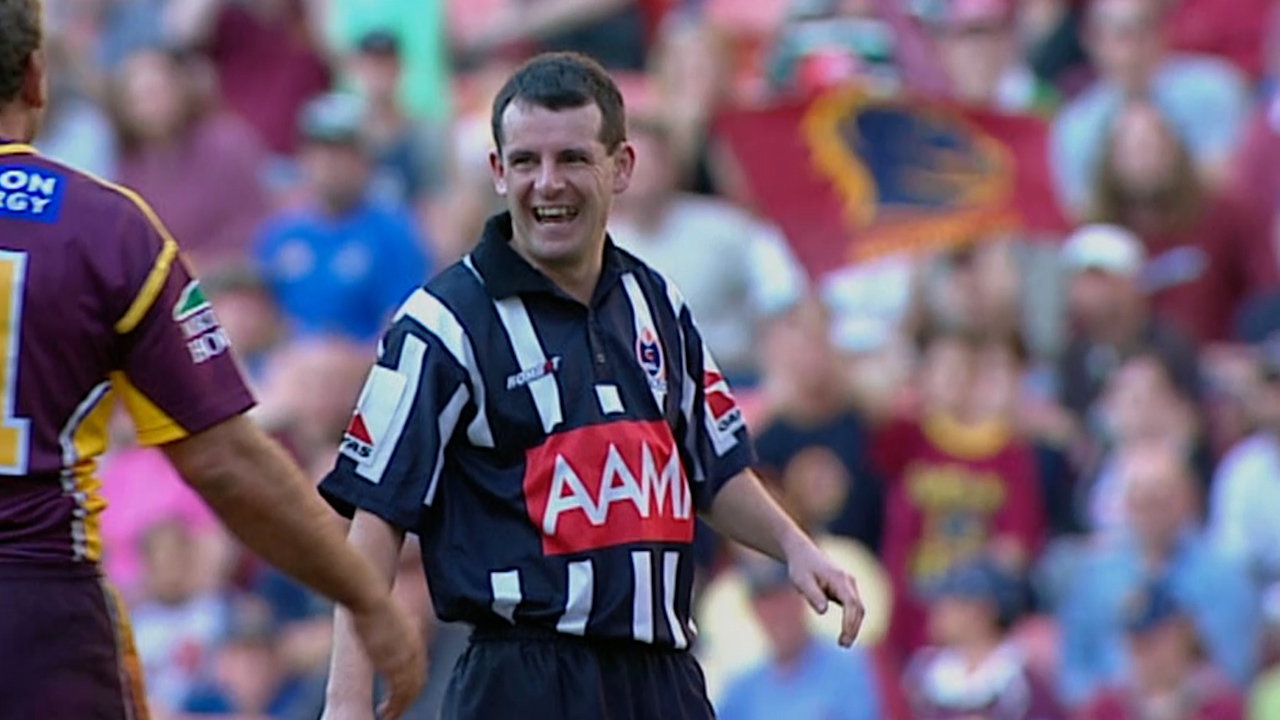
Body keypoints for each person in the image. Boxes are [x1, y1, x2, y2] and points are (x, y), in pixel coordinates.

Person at [317, 51, 866, 720]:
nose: (548, 184)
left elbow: (711, 469)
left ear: (622, 167)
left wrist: (794, 547)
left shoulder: (657, 301)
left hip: (663, 676)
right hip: (522, 682)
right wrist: (344, 703)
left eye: (573, 159)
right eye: (525, 162)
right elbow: (374, 522)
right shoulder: (442, 325)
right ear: (497, 172)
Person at [0, 2, 425, 718]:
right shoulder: (109, 230)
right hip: (40, 618)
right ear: (37, 77)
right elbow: (224, 460)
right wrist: (361, 592)